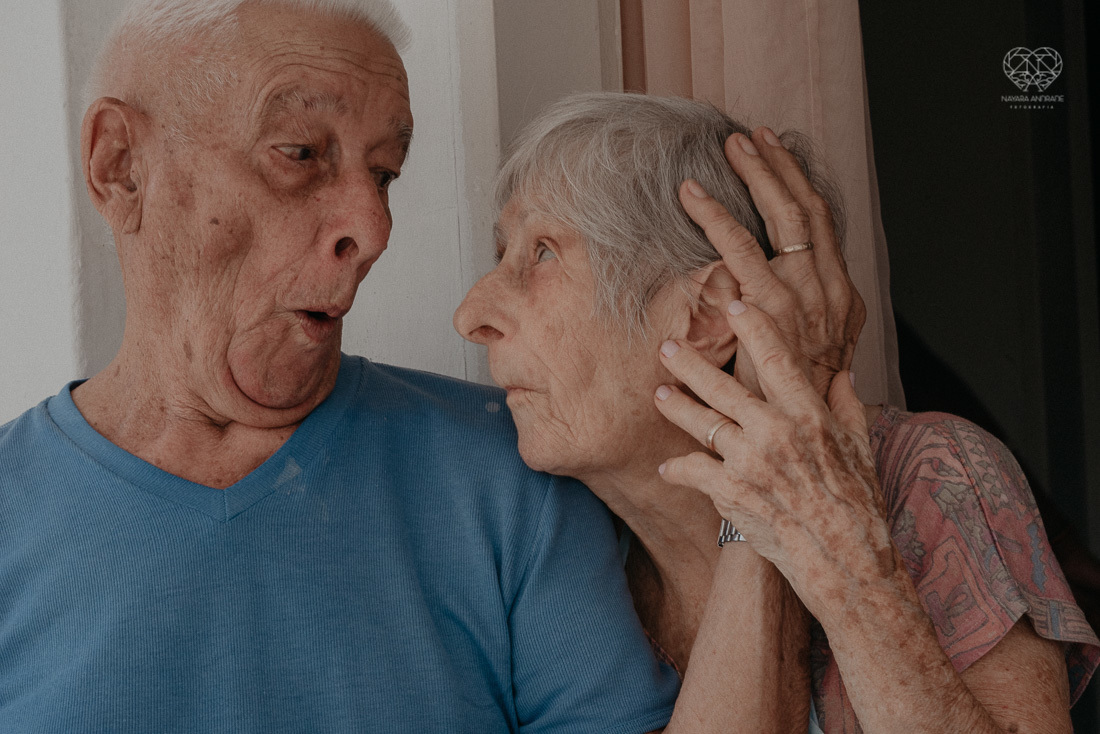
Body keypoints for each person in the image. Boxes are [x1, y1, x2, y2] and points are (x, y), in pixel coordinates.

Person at [0, 1, 856, 731]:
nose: (372, 229)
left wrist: (764, 459)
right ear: (120, 166)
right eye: (301, 153)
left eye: (385, 173)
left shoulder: (508, 475)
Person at [455, 92, 1100, 733]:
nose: (471, 316)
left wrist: (846, 559)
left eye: (542, 252)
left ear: (708, 314)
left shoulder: (927, 477)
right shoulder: (560, 547)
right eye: (502, 253)